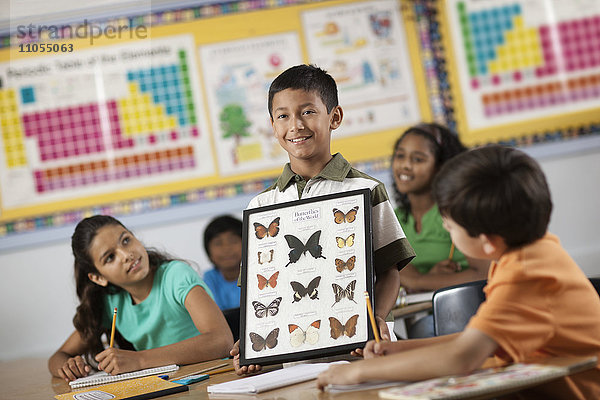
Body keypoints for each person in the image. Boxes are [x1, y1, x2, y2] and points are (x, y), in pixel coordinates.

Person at [316, 145, 600, 399]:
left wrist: (355, 374)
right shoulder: (530, 253)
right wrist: (401, 350)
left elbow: (463, 356)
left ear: (486, 241)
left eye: (450, 227)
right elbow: (477, 338)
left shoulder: (527, 274)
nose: (449, 233)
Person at [230, 64, 415, 374]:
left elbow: (390, 272)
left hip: (363, 351)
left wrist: (376, 319)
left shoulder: (365, 189)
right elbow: (258, 291)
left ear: (335, 117)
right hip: (295, 360)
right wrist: (251, 342)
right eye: (283, 116)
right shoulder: (263, 205)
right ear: (272, 125)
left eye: (308, 112)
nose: (295, 125)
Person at [48, 215, 233, 382]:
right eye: (110, 257)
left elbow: (221, 341)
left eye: (126, 240)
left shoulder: (176, 276)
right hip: (166, 388)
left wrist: (139, 359)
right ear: (98, 277)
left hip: (212, 380)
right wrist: (68, 367)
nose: (126, 254)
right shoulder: (111, 301)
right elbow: (58, 356)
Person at [391, 123, 489, 337]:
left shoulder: (456, 212)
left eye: (418, 159)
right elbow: (389, 275)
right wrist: (426, 278)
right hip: (422, 314)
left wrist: (418, 280)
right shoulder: (393, 218)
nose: (405, 166)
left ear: (441, 167)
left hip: (471, 308)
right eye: (400, 156)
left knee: (425, 331)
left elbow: (484, 273)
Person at [202, 215, 243, 310]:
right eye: (218, 243)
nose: (226, 248)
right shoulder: (209, 279)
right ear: (208, 252)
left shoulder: (256, 275)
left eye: (233, 241)